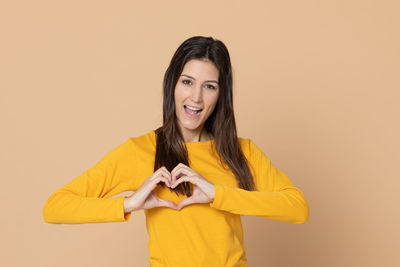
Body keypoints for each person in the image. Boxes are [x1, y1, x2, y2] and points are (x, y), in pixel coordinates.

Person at [43, 36, 309, 266]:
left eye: (209, 86)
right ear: (172, 84)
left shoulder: (241, 152)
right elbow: (54, 208)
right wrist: (128, 204)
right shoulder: (141, 150)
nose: (195, 97)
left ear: (221, 94)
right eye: (187, 82)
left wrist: (217, 194)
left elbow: (297, 208)